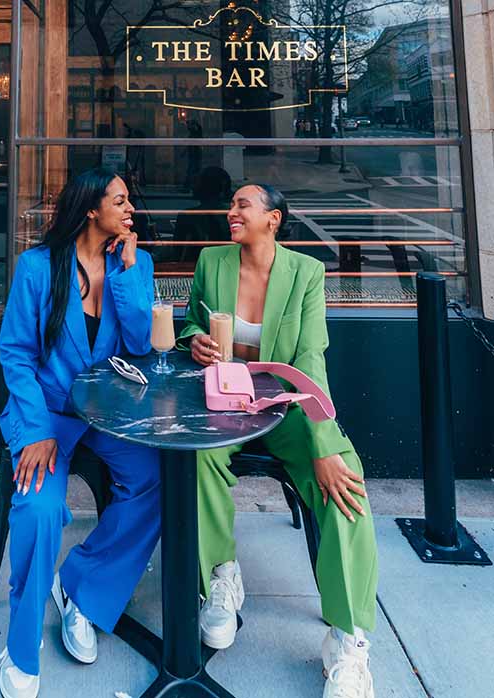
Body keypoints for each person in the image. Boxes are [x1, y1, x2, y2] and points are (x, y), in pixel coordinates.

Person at [177, 184, 378, 698]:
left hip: (283, 406)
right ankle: (221, 576)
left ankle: (348, 637)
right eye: (231, 205)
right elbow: (194, 323)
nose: (231, 213)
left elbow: (310, 358)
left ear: (273, 218)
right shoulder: (212, 262)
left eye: (243, 205)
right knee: (195, 458)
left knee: (345, 484)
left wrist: (325, 444)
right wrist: (194, 338)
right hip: (221, 400)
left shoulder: (305, 273)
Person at [0, 168, 161, 698]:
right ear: (92, 208)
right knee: (40, 508)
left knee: (157, 482)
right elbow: (16, 353)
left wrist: (129, 273)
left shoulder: (133, 263)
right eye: (120, 199)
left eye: (129, 199)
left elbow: (139, 344)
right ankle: (21, 648)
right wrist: (36, 431)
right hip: (44, 412)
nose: (130, 207)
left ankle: (82, 589)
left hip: (107, 414)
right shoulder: (38, 268)